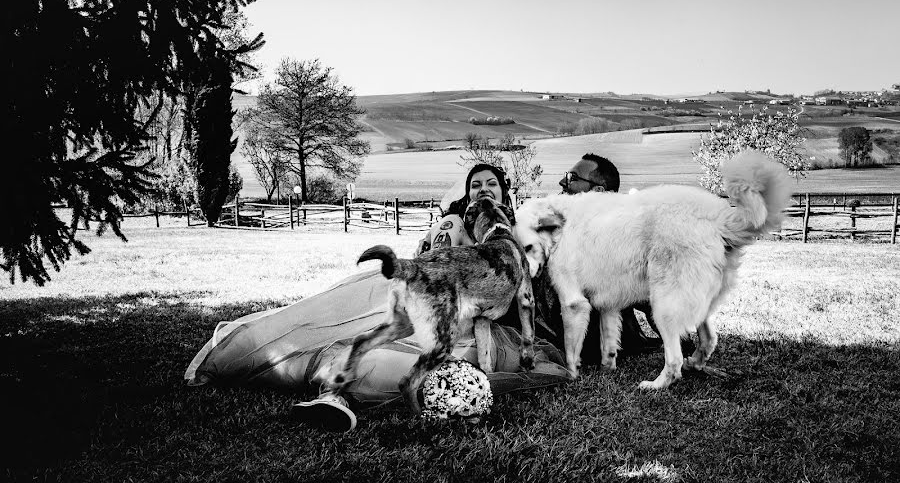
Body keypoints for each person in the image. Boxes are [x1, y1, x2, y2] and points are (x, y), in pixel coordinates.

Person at [184, 163, 570, 433]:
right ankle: (335, 395)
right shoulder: (450, 229)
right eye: (475, 185)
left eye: (491, 184)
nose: (482, 189)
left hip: (473, 334)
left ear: (504, 195)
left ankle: (340, 393)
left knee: (411, 362)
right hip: (430, 316)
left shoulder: (513, 242)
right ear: (466, 199)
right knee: (364, 347)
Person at [531, 153, 663, 366]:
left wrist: (680, 343)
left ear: (598, 191)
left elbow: (651, 293)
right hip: (548, 340)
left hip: (592, 344)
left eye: (573, 178)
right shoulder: (555, 222)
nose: (563, 182)